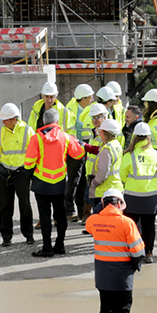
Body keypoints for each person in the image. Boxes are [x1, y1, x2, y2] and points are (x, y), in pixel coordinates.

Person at [85, 188, 144, 313]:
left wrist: (101, 209)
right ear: (120, 203)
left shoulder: (93, 220)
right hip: (122, 276)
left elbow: (91, 223)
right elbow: (138, 251)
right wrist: (135, 266)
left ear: (103, 204)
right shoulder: (127, 223)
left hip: (103, 276)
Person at [24, 108, 85, 257]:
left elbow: (29, 162)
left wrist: (30, 173)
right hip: (59, 183)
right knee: (60, 214)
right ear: (57, 121)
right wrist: (80, 143)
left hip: (41, 183)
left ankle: (47, 248)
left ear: (43, 121)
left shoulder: (36, 138)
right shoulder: (66, 137)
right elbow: (78, 154)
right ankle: (60, 245)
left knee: (45, 216)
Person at [0, 103, 36, 247]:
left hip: (22, 172)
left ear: (14, 119)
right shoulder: (0, 132)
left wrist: (31, 170)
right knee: (4, 206)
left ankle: (28, 235)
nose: (3, 122)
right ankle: (6, 236)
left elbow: (34, 150)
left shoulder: (27, 131)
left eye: (6, 120)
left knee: (25, 205)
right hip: (4, 173)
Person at [119, 122, 157, 263]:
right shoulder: (155, 154)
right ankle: (149, 253)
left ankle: (134, 252)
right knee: (149, 225)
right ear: (149, 137)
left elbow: (122, 175)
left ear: (134, 137)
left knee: (132, 226)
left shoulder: (129, 155)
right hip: (152, 196)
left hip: (132, 196)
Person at [63, 84, 95, 223]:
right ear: (83, 99)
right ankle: (69, 209)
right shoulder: (70, 110)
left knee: (83, 181)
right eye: (90, 97)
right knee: (73, 180)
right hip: (73, 149)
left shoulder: (91, 108)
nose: (92, 100)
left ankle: (82, 210)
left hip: (86, 148)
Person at [88, 118, 124, 213]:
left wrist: (93, 183)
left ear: (105, 133)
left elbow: (102, 175)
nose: (99, 134)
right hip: (115, 188)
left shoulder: (107, 150)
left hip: (105, 191)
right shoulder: (116, 144)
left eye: (100, 132)